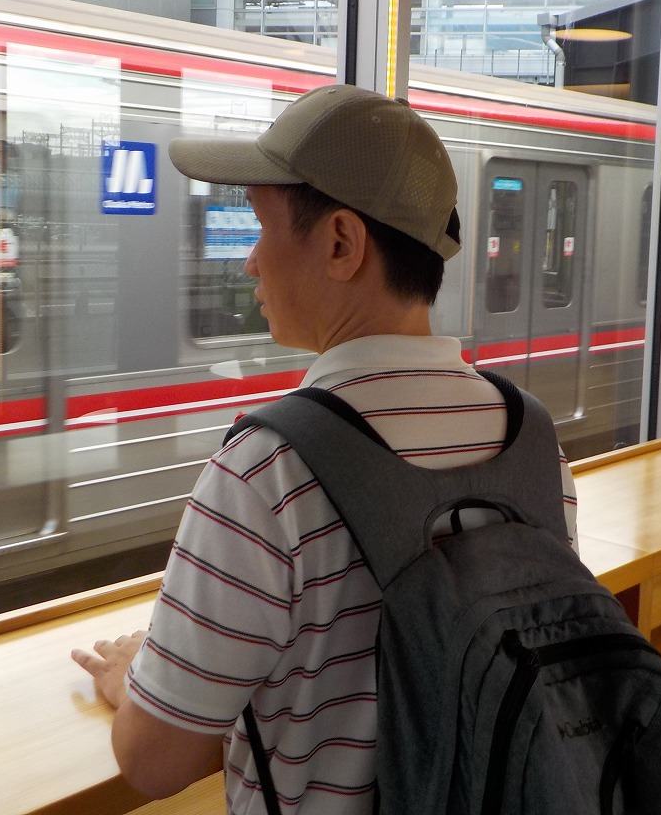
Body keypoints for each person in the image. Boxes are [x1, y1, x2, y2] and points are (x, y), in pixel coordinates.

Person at [71, 84, 578, 812]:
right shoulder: (535, 445)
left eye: (261, 227)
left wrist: (133, 680)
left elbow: (155, 763)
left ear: (341, 242)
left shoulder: (265, 474)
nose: (250, 263)